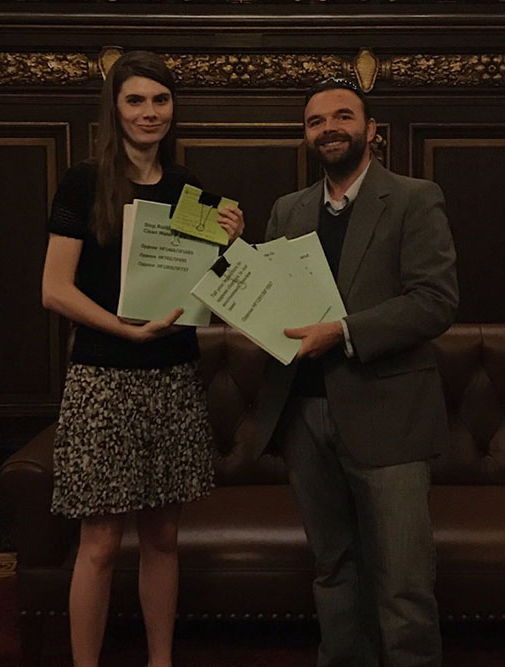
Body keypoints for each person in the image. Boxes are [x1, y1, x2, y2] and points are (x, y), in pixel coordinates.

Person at [40, 50, 244, 667]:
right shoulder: (83, 181)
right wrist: (125, 331)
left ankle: (161, 661)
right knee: (99, 543)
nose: (149, 112)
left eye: (160, 100)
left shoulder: (189, 190)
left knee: (163, 536)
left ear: (172, 108)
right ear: (115, 108)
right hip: (103, 380)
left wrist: (227, 246)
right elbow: (54, 289)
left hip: (174, 378)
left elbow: (203, 293)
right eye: (136, 100)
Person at [252, 77, 458, 667]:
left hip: (388, 416)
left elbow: (435, 301)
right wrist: (232, 258)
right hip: (303, 417)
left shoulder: (415, 198)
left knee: (403, 582)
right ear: (307, 135)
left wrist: (342, 332)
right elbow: (269, 303)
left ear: (372, 130)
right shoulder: (287, 210)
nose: (329, 128)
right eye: (316, 121)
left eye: (343, 116)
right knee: (333, 571)